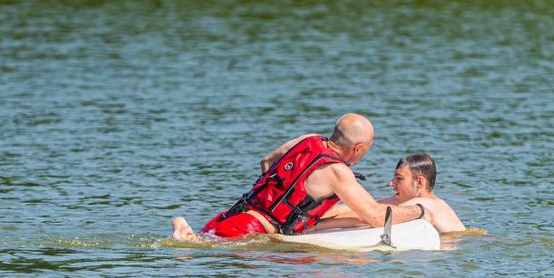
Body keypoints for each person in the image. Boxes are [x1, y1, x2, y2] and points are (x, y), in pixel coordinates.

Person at [171, 113, 428, 241]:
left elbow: (267, 162)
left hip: (231, 216)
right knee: (202, 252)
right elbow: (373, 216)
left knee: (202, 242)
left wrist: (277, 204)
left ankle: (185, 229)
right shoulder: (338, 171)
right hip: (250, 230)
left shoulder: (308, 140)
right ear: (358, 147)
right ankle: (184, 234)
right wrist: (419, 210)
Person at [310, 153, 465, 233]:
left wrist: (314, 226)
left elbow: (367, 217)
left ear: (419, 182)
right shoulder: (407, 202)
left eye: (399, 179)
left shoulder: (427, 204)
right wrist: (314, 215)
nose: (391, 183)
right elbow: (365, 207)